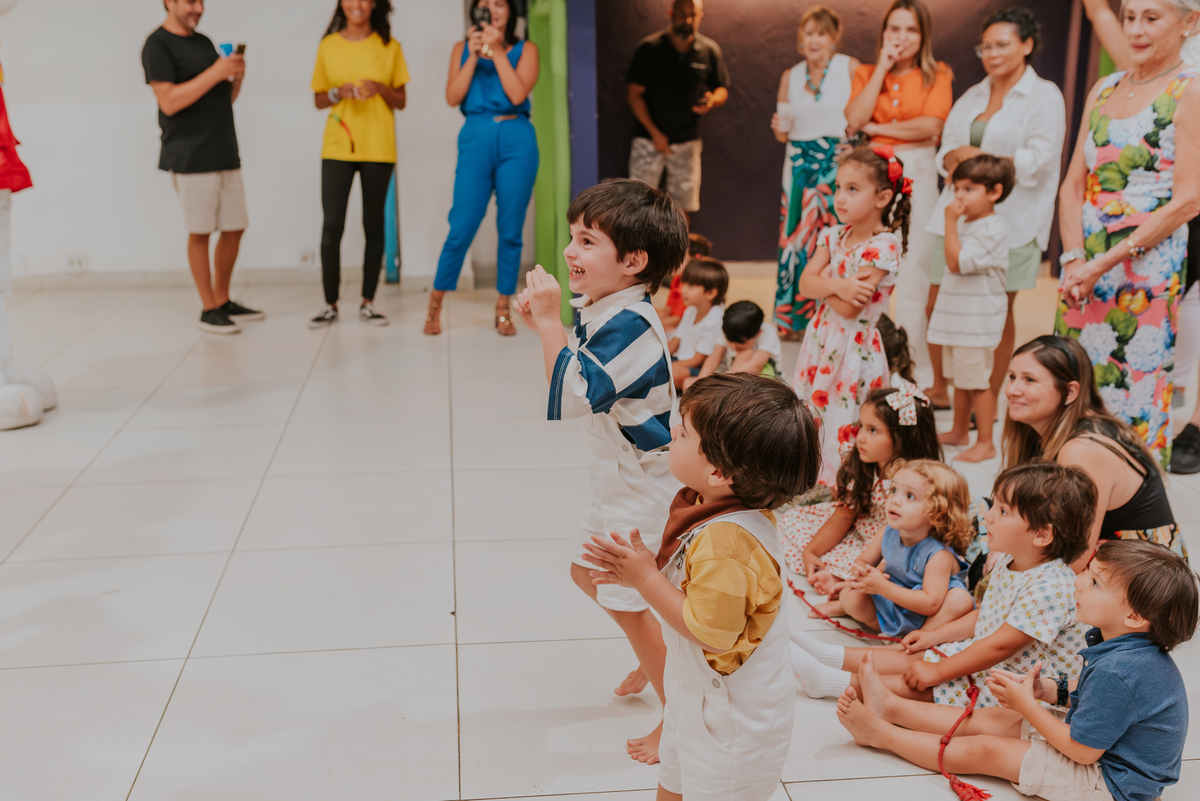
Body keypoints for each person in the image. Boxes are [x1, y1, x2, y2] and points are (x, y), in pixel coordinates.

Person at [582, 373, 820, 801]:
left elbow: (710, 630)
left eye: (685, 432)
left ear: (718, 471)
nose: (672, 430)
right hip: (694, 697)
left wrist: (644, 579)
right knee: (671, 787)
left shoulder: (726, 543)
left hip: (732, 725)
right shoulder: (709, 504)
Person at [514, 179, 687, 765]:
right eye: (572, 237)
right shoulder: (610, 307)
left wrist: (545, 322)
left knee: (622, 592)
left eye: (587, 241)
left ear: (633, 262)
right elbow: (577, 362)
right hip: (622, 475)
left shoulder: (632, 324)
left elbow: (571, 396)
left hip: (643, 482)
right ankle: (654, 643)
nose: (570, 252)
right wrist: (549, 317)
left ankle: (680, 714)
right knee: (587, 573)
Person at [836, 539, 1198, 801]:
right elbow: (1097, 696)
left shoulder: (1120, 670)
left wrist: (1027, 705)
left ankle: (882, 734)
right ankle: (894, 707)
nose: (1078, 581)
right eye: (1087, 572)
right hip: (1106, 752)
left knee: (988, 750)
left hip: (1114, 784)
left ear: (1133, 617)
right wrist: (1049, 690)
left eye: (1094, 583)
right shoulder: (1131, 650)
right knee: (997, 718)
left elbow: (1084, 752)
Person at [789, 461, 1094, 703]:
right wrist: (935, 637)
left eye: (1002, 510)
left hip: (1019, 682)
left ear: (1041, 534)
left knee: (929, 683)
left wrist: (938, 671)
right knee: (918, 656)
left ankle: (830, 681)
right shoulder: (1010, 560)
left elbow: (1000, 645)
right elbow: (986, 617)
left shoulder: (1050, 587)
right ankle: (824, 654)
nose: (987, 516)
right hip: (991, 658)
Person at [1057, 0, 1200, 469]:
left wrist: (1101, 262)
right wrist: (1075, 258)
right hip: (1084, 262)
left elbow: (1189, 200)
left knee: (1133, 387)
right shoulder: (1104, 87)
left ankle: (1128, 516)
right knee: (1070, 381)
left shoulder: (1189, 91)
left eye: (1152, 17)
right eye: (1130, 17)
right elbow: (1073, 183)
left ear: (1189, 23)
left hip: (1144, 265)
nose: (1136, 29)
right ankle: (1063, 500)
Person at [924, 8, 1066, 411]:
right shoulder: (974, 94)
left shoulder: (1045, 96)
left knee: (995, 313)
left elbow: (1038, 157)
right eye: (986, 45)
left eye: (1002, 44)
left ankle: (984, 398)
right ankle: (941, 389)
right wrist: (957, 159)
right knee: (938, 303)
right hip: (953, 214)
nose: (992, 53)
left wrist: (979, 156)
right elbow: (947, 149)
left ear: (1026, 45)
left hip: (1014, 221)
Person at [844, 0, 952, 387]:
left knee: (912, 275)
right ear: (883, 33)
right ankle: (865, 369)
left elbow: (933, 125)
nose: (901, 37)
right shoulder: (867, 72)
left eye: (910, 30)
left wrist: (876, 128)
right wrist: (883, 69)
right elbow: (854, 119)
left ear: (922, 36)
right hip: (871, 175)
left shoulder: (937, 73)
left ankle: (913, 377)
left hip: (916, 173)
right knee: (863, 265)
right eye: (893, 29)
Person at [1003, 335, 1183, 561]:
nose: (1012, 390)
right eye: (1012, 377)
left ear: (1070, 392)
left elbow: (1076, 555)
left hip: (1141, 577)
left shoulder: (1081, 450)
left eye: (1029, 380)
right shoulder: (1039, 429)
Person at [142, 0, 262, 335]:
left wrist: (235, 78)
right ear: (169, 2)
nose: (198, 8)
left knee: (234, 227)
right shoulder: (157, 45)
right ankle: (209, 308)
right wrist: (215, 73)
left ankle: (222, 299)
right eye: (190, 1)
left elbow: (221, 99)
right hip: (190, 156)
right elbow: (169, 101)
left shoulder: (203, 42)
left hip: (224, 150)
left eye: (200, 2)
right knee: (201, 231)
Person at [792, 144, 909, 487]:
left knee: (844, 412)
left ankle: (841, 481)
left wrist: (826, 285)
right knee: (812, 405)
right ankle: (810, 473)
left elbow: (847, 308)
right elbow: (803, 284)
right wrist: (840, 285)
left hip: (854, 348)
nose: (840, 198)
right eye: (839, 188)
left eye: (853, 189)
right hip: (821, 339)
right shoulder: (834, 234)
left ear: (883, 197)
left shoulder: (883, 245)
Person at [426, 0, 540, 337]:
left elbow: (518, 92)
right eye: (485, 4)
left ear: (510, 12)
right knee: (462, 223)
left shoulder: (526, 49)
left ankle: (503, 306)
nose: (492, 10)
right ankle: (435, 302)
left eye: (499, 3)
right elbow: (452, 96)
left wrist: (499, 52)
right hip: (476, 135)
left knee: (510, 227)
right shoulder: (462, 48)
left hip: (517, 137)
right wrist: (476, 54)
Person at [779, 384, 941, 594]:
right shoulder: (863, 464)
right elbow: (843, 517)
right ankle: (838, 575)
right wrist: (811, 552)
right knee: (791, 521)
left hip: (898, 541)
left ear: (902, 439)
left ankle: (841, 580)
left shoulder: (920, 480)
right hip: (860, 528)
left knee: (887, 567)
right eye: (862, 426)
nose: (862, 437)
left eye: (873, 430)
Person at [308, 0, 408, 330]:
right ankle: (330, 304)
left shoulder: (389, 46)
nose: (358, 4)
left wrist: (379, 88)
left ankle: (368, 302)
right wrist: (339, 92)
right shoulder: (329, 45)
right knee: (332, 225)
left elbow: (401, 100)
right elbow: (319, 98)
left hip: (379, 147)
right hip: (337, 146)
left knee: (373, 225)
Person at [770, 5, 861, 340]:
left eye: (821, 33)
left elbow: (864, 114)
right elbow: (782, 131)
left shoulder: (850, 67)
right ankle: (791, 321)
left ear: (833, 38)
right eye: (809, 32)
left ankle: (834, 311)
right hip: (797, 164)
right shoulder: (789, 75)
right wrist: (778, 126)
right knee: (795, 238)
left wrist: (856, 145)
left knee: (836, 234)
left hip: (837, 163)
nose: (814, 39)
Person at [816, 459, 975, 636]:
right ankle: (850, 609)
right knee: (850, 595)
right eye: (894, 490)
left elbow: (931, 604)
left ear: (937, 512)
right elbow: (862, 561)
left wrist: (883, 588)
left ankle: (916, 638)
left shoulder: (938, 555)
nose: (895, 501)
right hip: (893, 600)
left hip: (925, 614)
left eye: (910, 496)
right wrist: (861, 578)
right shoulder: (887, 532)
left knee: (958, 601)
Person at [928, 154, 1014, 462]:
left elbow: (957, 262)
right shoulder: (967, 224)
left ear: (994, 192)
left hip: (976, 323)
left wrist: (949, 221)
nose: (960, 196)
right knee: (961, 381)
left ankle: (986, 442)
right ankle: (960, 430)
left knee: (977, 383)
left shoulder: (993, 228)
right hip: (959, 320)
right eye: (957, 188)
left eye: (969, 189)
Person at [626, 0, 729, 222]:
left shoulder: (709, 50)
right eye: (683, 14)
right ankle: (639, 254)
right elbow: (634, 94)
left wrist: (711, 100)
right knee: (637, 204)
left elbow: (721, 88)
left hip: (687, 140)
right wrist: (655, 133)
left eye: (694, 15)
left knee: (683, 207)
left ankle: (678, 256)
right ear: (671, 13)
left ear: (701, 16)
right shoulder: (649, 48)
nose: (688, 20)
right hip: (648, 140)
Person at [685, 300, 782, 389]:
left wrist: (717, 383)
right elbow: (713, 359)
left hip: (763, 384)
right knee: (688, 383)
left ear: (758, 333)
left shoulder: (768, 333)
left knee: (745, 352)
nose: (733, 347)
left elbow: (755, 366)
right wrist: (701, 382)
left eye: (740, 343)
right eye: (729, 341)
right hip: (733, 376)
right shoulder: (729, 330)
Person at [668, 256, 726, 389]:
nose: (683, 290)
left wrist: (665, 366)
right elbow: (675, 341)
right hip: (681, 360)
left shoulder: (716, 318)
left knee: (672, 373)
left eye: (691, 286)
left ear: (710, 293)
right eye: (684, 283)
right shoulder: (691, 309)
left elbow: (698, 360)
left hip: (698, 368)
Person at [659, 232, 711, 332]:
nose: (672, 261)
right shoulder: (677, 279)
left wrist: (651, 327)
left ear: (696, 259)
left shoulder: (693, 288)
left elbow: (678, 320)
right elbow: (668, 310)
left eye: (679, 258)